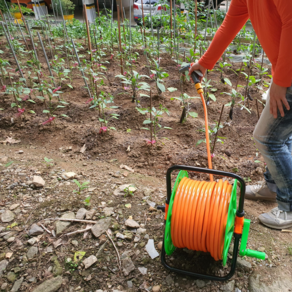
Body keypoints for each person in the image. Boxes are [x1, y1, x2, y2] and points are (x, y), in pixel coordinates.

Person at [189, 0, 292, 229]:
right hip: (285, 72)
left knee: (268, 138)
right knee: (281, 135)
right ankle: (273, 188)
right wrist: (205, 63)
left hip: (289, 76)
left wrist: (282, 82)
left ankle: (289, 206)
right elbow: (230, 24)